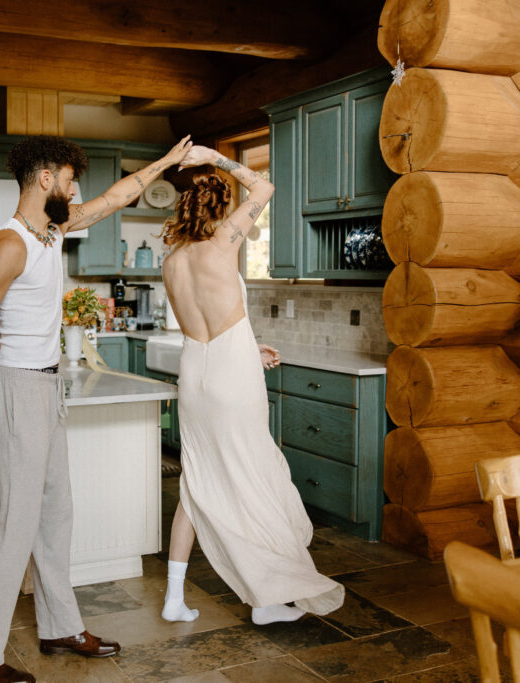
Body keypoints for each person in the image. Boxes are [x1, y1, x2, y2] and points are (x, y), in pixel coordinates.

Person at [0, 134, 192, 683]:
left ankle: (59, 625)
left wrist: (164, 162)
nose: (75, 187)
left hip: (47, 385)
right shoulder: (10, 243)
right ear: (44, 180)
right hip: (16, 387)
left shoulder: (52, 230)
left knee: (56, 515)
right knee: (14, 526)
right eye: (67, 177)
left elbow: (114, 199)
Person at [157, 146, 344, 627]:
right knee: (253, 476)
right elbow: (264, 186)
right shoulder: (224, 241)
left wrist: (251, 352)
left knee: (197, 483)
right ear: (221, 207)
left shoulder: (171, 260)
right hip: (229, 372)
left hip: (194, 372)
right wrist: (214, 156)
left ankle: (174, 599)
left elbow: (200, 326)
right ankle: (265, 599)